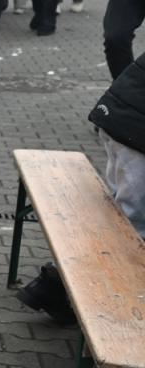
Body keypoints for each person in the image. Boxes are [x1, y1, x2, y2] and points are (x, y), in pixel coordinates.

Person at [17, 45, 145, 323]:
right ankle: (62, 287)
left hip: (122, 118)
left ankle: (57, 284)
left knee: (119, 214)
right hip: (134, 130)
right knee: (133, 230)